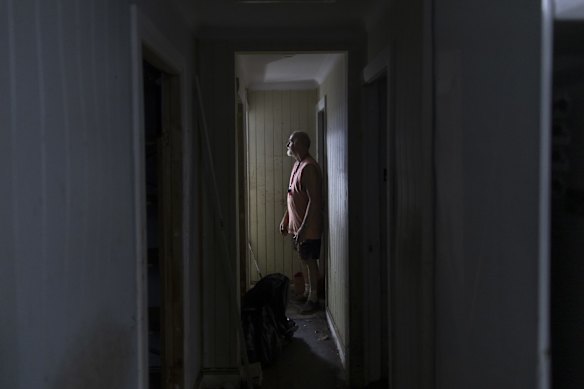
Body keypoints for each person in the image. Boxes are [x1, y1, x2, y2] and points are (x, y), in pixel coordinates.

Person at [279, 131, 323, 315]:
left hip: (308, 228)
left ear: (301, 144)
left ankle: (313, 299)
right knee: (303, 259)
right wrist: (286, 218)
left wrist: (304, 228)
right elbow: (292, 195)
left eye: (291, 141)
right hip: (297, 227)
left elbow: (314, 200)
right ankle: (306, 291)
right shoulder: (298, 164)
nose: (288, 144)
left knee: (310, 261)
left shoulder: (309, 167)